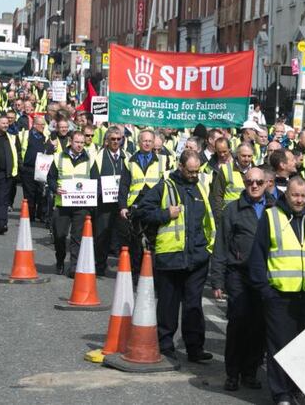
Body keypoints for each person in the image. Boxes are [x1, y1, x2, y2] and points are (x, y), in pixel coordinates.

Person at [249, 176, 305, 405]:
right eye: (295, 195)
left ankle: (297, 387)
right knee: (280, 348)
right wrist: (264, 290)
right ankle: (281, 393)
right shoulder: (271, 216)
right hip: (279, 295)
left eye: (304, 196)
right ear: (287, 194)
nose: (300, 200)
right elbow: (258, 255)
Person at [137, 149, 216, 364]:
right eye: (190, 171)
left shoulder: (200, 186)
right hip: (170, 257)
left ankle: (195, 348)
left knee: (193, 306)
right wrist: (165, 214)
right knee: (168, 305)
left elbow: (209, 220)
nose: (194, 175)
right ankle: (165, 346)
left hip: (196, 258)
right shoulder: (165, 186)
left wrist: (207, 249)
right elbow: (141, 211)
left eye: (196, 171)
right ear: (180, 167)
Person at [210, 167, 273, 391]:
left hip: (265, 277)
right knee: (238, 324)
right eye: (249, 182)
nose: (253, 186)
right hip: (239, 275)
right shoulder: (232, 210)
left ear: (267, 183)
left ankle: (250, 372)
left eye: (258, 182)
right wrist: (217, 280)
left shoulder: (275, 208)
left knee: (259, 326)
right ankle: (233, 373)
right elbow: (221, 245)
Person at [118, 129, 171, 277]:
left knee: (153, 240)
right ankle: (135, 273)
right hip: (136, 204)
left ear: (154, 143)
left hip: (155, 205)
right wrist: (122, 206)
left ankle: (152, 274)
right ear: (139, 142)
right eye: (144, 141)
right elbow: (123, 185)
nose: (147, 144)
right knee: (135, 242)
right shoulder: (130, 161)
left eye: (149, 141)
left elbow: (168, 184)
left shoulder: (163, 160)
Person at [47, 131, 94, 276]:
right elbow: (51, 178)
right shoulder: (58, 158)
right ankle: (60, 260)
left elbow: (95, 180)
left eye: (82, 142)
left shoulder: (90, 160)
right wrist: (56, 189)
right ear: (70, 141)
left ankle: (74, 267)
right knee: (60, 235)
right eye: (77, 142)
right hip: (62, 204)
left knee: (77, 238)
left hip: (81, 205)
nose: (80, 145)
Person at [91, 127, 128, 276]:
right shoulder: (98, 156)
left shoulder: (127, 156)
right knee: (102, 235)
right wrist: (102, 190)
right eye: (113, 139)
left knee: (123, 235)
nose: (116, 142)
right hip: (104, 202)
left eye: (118, 139)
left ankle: (124, 266)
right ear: (107, 140)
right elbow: (94, 177)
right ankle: (100, 265)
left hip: (121, 203)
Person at [209, 143, 252, 218]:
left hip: (249, 215)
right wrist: (219, 217)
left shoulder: (257, 171)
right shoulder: (226, 169)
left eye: (249, 156)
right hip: (229, 215)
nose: (246, 159)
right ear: (237, 155)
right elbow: (217, 195)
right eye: (243, 156)